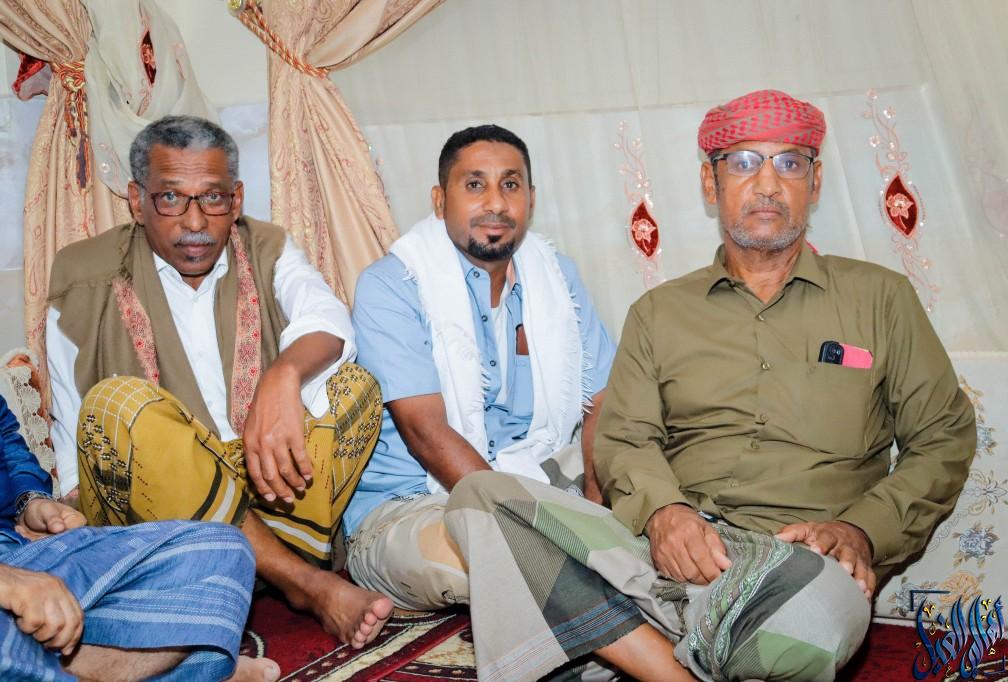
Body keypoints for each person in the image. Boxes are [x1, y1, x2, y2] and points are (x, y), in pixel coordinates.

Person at [591, 89, 977, 679]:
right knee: (489, 506)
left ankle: (633, 639)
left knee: (808, 628)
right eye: (744, 162)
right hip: (673, 549)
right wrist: (664, 511)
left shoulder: (880, 299)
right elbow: (624, 437)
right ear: (710, 182)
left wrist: (861, 531)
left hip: (802, 563)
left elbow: (943, 437)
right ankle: (683, 640)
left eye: (790, 163)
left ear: (814, 183)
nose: (768, 184)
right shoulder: (658, 313)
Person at [344, 125, 694, 681]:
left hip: (542, 474)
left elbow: (603, 401)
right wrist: (565, 528)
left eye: (510, 185)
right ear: (439, 200)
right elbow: (426, 433)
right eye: (474, 185)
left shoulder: (555, 275)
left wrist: (599, 500)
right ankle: (671, 668)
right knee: (516, 555)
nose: (495, 203)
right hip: (413, 508)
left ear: (530, 198)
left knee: (661, 470)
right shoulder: (393, 286)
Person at [46, 115, 392, 648]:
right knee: (119, 404)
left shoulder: (266, 246)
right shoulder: (82, 274)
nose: (195, 222)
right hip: (155, 513)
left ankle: (247, 564)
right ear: (137, 201)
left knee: (356, 387)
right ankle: (300, 580)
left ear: (236, 199)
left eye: (212, 198)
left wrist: (282, 377)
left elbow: (328, 320)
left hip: (267, 482)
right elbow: (72, 422)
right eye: (170, 198)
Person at [0, 365, 280, 681]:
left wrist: (31, 502)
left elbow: (8, 438)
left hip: (20, 550)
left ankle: (48, 665)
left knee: (223, 549)